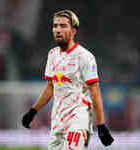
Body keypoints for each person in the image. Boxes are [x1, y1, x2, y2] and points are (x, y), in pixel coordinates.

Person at [22, 9, 114, 149]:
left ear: (73, 31)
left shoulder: (84, 56)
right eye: (55, 26)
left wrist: (101, 125)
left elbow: (95, 91)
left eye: (63, 26)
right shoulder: (52, 55)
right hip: (57, 120)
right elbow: (50, 88)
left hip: (78, 119)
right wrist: (33, 111)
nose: (58, 29)